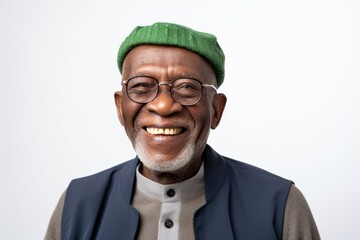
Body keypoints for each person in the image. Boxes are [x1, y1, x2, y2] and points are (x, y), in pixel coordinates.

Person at [45, 22, 320, 240]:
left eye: (187, 87)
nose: (164, 106)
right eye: (142, 87)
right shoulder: (78, 203)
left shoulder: (280, 206)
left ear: (216, 110)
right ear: (120, 107)